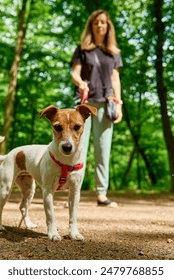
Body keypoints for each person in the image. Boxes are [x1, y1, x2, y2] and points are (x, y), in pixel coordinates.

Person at [70, 10, 123, 207]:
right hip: (85, 106)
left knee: (103, 150)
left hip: (106, 105)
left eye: (103, 23)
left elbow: (115, 79)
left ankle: (102, 194)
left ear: (108, 26)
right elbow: (74, 73)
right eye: (96, 23)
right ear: (91, 26)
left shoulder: (113, 53)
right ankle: (74, 192)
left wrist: (119, 104)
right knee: (78, 148)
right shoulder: (82, 49)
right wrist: (81, 83)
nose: (99, 26)